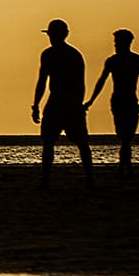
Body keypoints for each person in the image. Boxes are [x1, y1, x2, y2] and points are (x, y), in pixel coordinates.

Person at [30, 19, 92, 188]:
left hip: (60, 100)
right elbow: (81, 84)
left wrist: (36, 105)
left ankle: (46, 180)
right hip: (67, 101)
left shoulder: (51, 54)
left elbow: (42, 81)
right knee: (76, 143)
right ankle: (88, 179)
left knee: (52, 142)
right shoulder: (74, 54)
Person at [84, 29, 139, 174]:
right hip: (118, 100)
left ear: (125, 43)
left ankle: (124, 165)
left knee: (127, 136)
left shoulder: (137, 60)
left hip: (129, 100)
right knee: (123, 135)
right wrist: (91, 101)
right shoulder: (113, 61)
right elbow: (101, 82)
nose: (115, 45)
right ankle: (126, 165)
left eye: (117, 42)